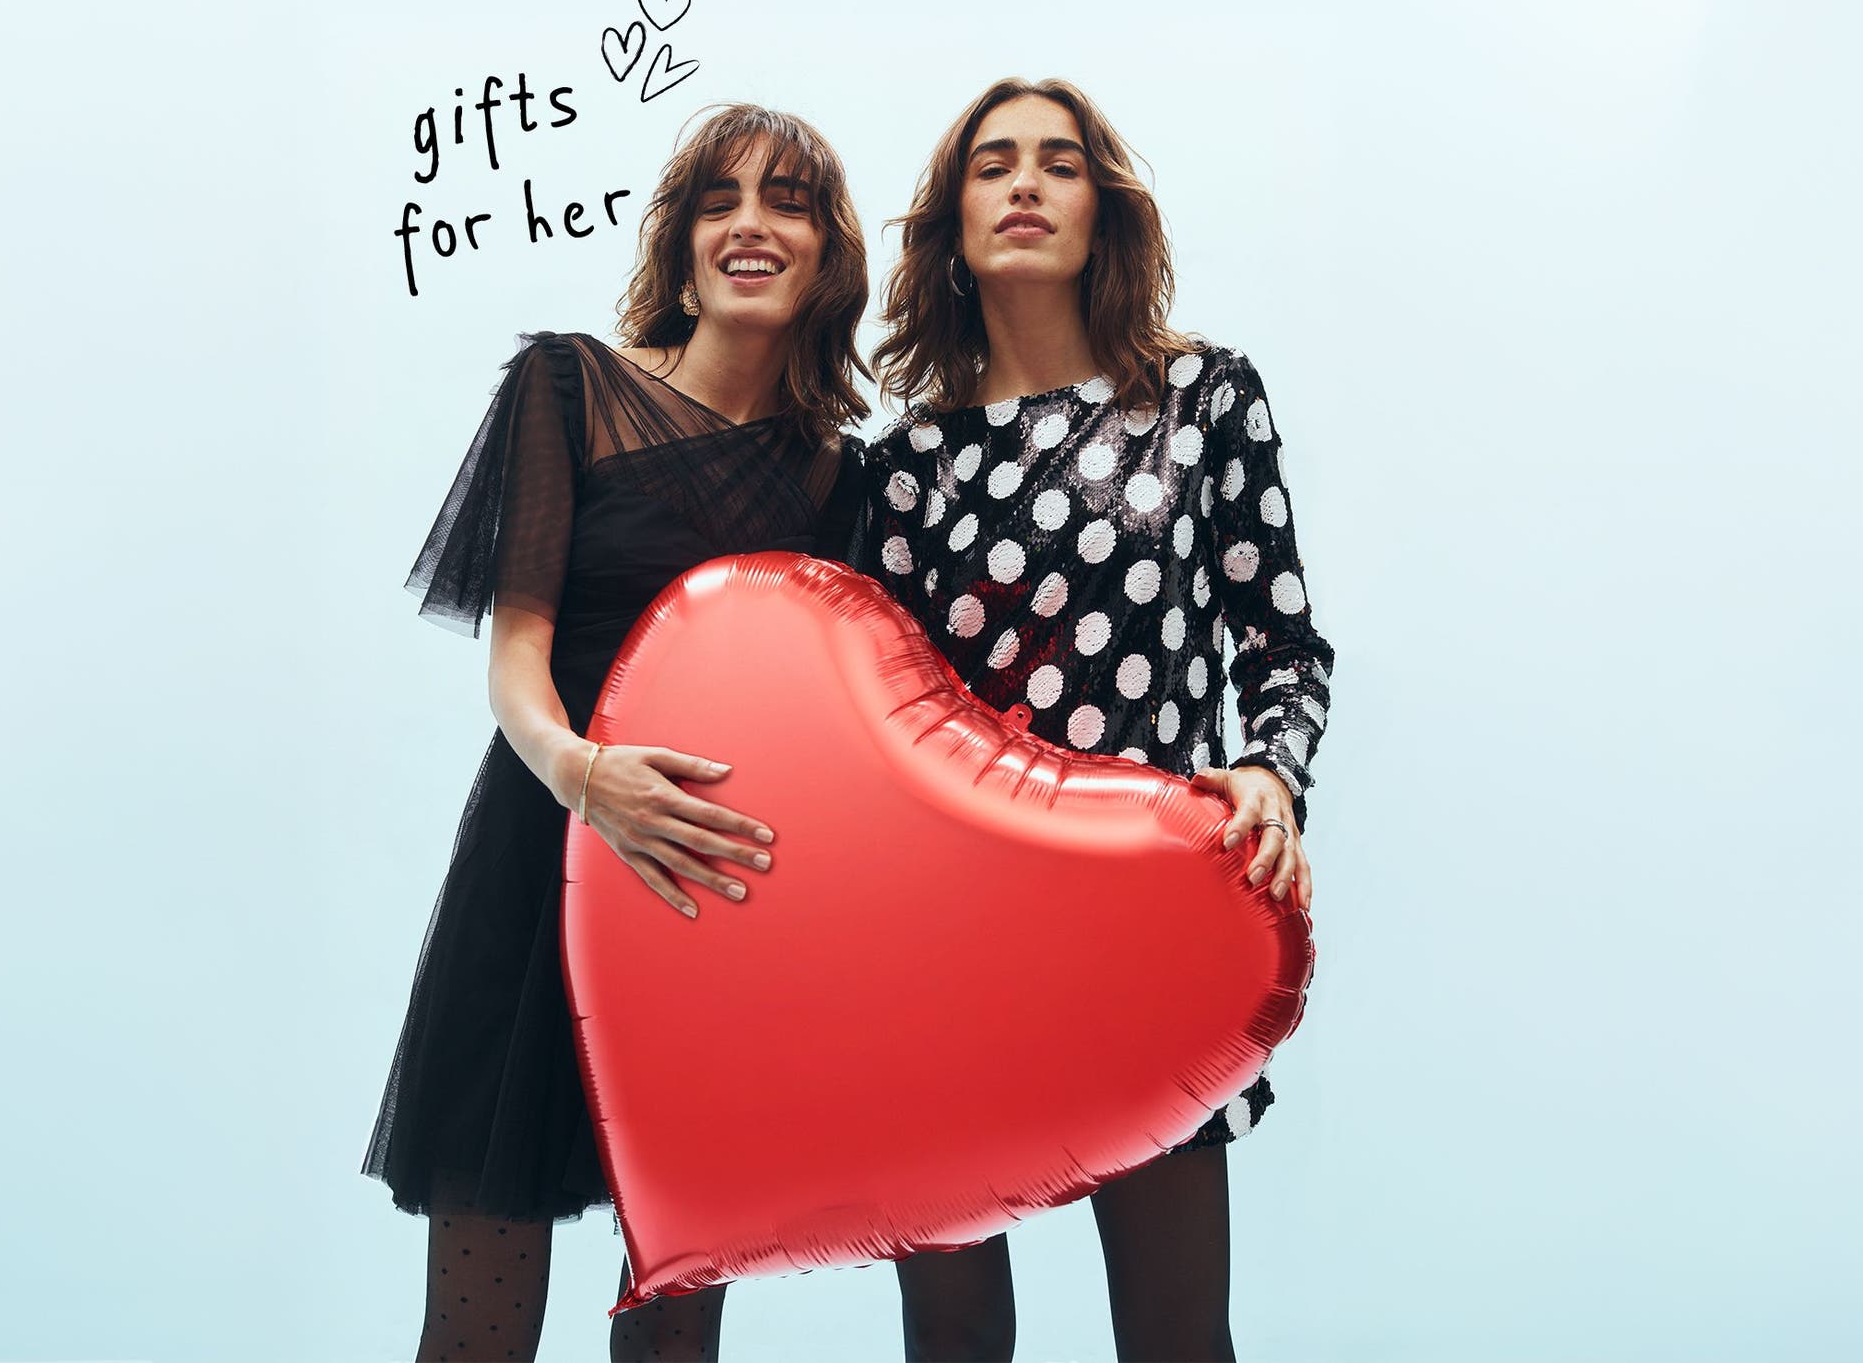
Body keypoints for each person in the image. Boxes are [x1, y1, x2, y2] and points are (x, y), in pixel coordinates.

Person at [364, 104, 874, 1363]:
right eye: (720, 199)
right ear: (682, 240)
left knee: (674, 1333)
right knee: (471, 1336)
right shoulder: (567, 386)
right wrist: (588, 777)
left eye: (789, 200)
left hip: (708, 897)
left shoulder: (840, 482)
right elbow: (517, 659)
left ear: (828, 254)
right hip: (537, 863)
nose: (751, 223)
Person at [861, 78, 1337, 1362]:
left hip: (1147, 932)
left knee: (1176, 1341)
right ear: (951, 223)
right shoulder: (902, 470)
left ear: (1101, 208)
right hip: (954, 948)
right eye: (992, 165)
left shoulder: (1206, 402)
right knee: (951, 1346)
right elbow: (877, 729)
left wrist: (1271, 775)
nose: (1023, 184)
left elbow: (1282, 646)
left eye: (1058, 163)